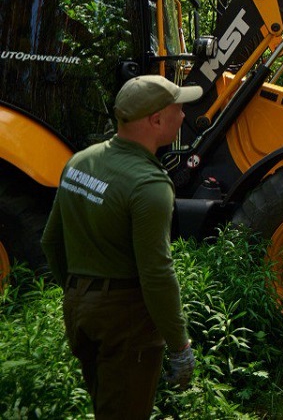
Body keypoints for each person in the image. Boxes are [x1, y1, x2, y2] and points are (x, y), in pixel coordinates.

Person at [41, 74, 202, 419]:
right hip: (125, 320)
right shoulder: (149, 185)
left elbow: (51, 241)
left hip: (79, 309)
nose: (184, 115)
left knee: (106, 406)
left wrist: (79, 294)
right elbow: (157, 274)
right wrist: (180, 346)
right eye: (178, 108)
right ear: (155, 119)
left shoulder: (81, 161)